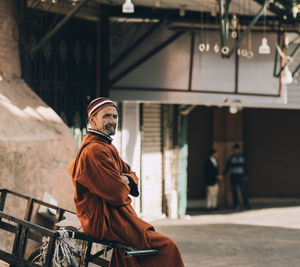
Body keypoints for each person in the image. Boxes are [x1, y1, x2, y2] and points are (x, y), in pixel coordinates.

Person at [68, 97, 184, 267]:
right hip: (105, 220)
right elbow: (116, 194)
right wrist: (123, 180)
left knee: (139, 251)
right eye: (106, 116)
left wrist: (125, 178)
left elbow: (131, 174)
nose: (112, 121)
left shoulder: (106, 146)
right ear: (92, 119)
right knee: (167, 247)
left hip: (115, 217)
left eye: (115, 117)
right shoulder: (95, 150)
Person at [223, 143, 250, 210]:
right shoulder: (231, 158)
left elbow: (245, 166)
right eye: (235, 150)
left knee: (243, 190)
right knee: (234, 191)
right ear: (233, 150)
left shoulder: (242, 157)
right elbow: (227, 167)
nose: (236, 151)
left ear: (239, 150)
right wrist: (223, 174)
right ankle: (236, 205)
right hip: (233, 176)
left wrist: (246, 175)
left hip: (241, 175)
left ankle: (246, 204)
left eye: (237, 149)